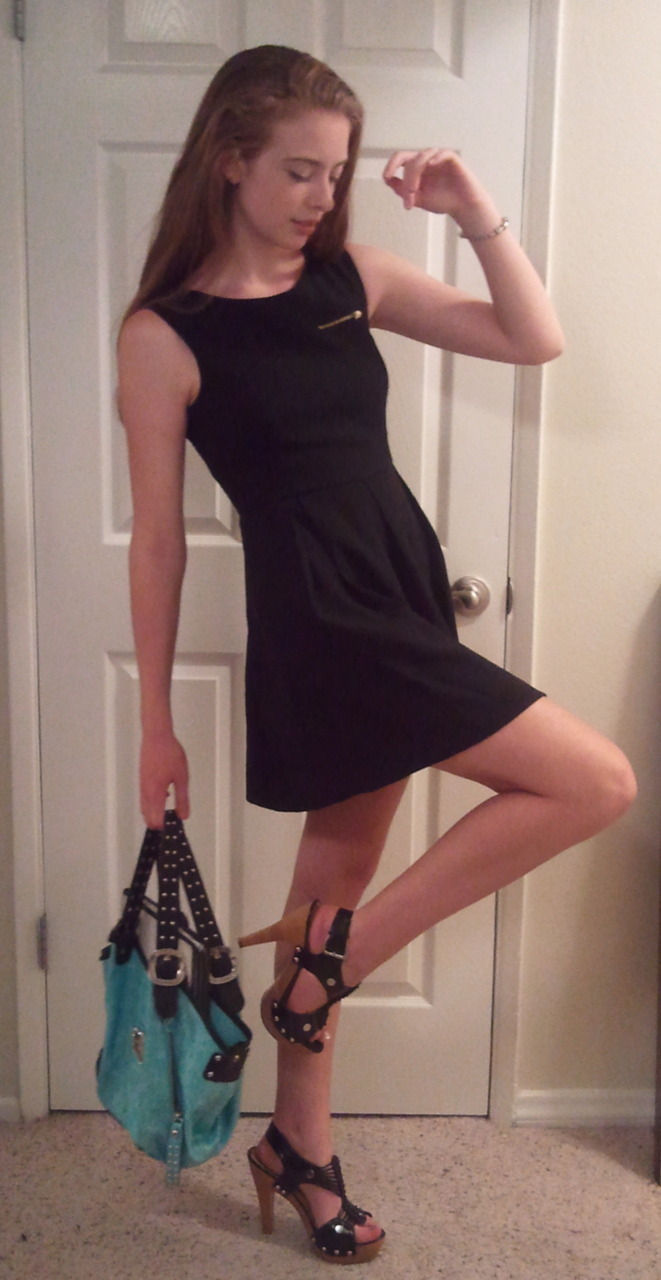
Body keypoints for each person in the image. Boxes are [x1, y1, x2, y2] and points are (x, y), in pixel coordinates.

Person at [118, 44, 636, 1265]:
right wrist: (156, 720)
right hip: (322, 616)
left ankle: (297, 1141)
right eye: (297, 169)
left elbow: (533, 338)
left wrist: (473, 212)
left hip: (399, 586)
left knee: (331, 886)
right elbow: (156, 541)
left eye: (335, 172)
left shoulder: (347, 277)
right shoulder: (167, 331)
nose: (321, 194)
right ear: (229, 160)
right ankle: (320, 976)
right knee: (594, 779)